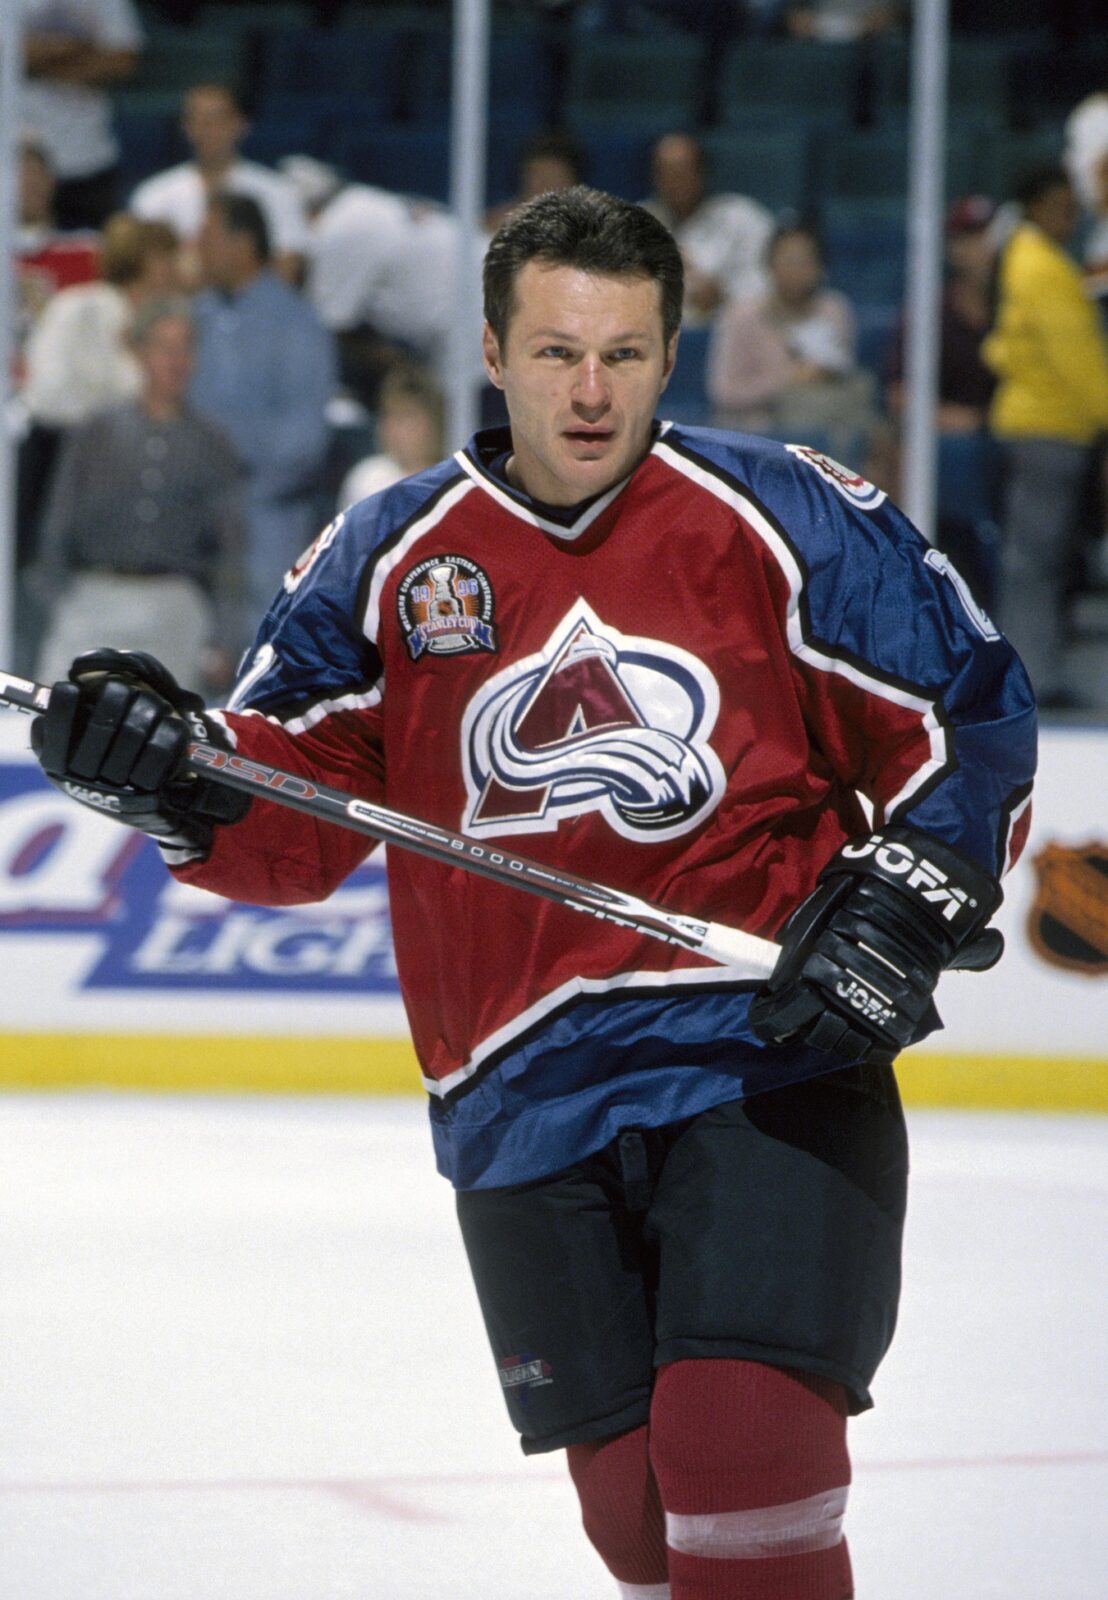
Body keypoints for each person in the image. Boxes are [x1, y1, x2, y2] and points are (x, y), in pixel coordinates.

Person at [29, 186, 1036, 1600]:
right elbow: (289, 815)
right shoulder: (387, 555)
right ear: (494, 353)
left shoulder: (788, 512)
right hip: (514, 1085)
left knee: (742, 1452)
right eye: (558, 353)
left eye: (624, 354)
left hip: (759, 1044)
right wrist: (163, 774)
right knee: (633, 1517)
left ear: (670, 354)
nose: (590, 391)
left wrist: (905, 899)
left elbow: (965, 715)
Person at [32, 296, 243, 693]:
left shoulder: (212, 443)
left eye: (185, 349)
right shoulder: (96, 432)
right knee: (60, 707)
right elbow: (59, 521)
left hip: (175, 601)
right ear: (140, 353)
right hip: (95, 595)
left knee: (166, 719)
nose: (175, 361)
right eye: (164, 348)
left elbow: (230, 548)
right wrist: (55, 595)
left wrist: (226, 637)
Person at [983, 165, 1108, 709]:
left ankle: (1034, 670)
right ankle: (1029, 675)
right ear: (1035, 206)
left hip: (1052, 426)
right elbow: (1076, 358)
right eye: (1060, 206)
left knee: (1041, 560)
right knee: (1034, 563)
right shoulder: (1039, 264)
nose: (1070, 217)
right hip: (1046, 429)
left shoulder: (1033, 258)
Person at [188, 192, 336, 643]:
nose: (197, 247)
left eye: (209, 236)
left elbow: (303, 440)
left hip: (266, 514)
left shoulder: (295, 320)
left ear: (244, 243)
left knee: (263, 645)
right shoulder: (197, 313)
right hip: (194, 513)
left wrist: (231, 474)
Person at [282, 154, 463, 408]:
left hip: (470, 329)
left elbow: (326, 332)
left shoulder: (337, 228)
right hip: (474, 306)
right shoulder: (363, 204)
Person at [707, 217, 876, 464]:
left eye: (805, 261)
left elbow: (843, 370)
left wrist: (822, 374)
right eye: (788, 260)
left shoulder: (834, 310)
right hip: (759, 438)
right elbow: (724, 391)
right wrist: (787, 381)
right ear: (769, 264)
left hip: (826, 430)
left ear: (820, 267)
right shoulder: (740, 316)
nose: (796, 270)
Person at [129, 83, 310, 286]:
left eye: (217, 120)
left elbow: (289, 267)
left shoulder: (277, 191)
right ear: (186, 127)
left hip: (254, 303)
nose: (208, 130)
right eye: (199, 121)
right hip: (175, 302)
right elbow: (138, 274)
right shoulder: (153, 195)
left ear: (240, 124)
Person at [20, 0, 144, 229]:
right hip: (19, 157)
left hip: (89, 157)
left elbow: (123, 60)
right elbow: (8, 53)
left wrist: (34, 65)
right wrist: (74, 48)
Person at [641, 132, 774, 326]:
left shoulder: (743, 217)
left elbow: (768, 285)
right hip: (658, 334)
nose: (674, 180)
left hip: (730, 332)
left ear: (703, 172)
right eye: (665, 172)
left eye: (682, 170)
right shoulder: (638, 222)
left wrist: (723, 294)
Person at [336, 363, 445, 511]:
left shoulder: (456, 480)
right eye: (387, 415)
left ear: (433, 421)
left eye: (406, 416)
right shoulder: (369, 478)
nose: (392, 428)